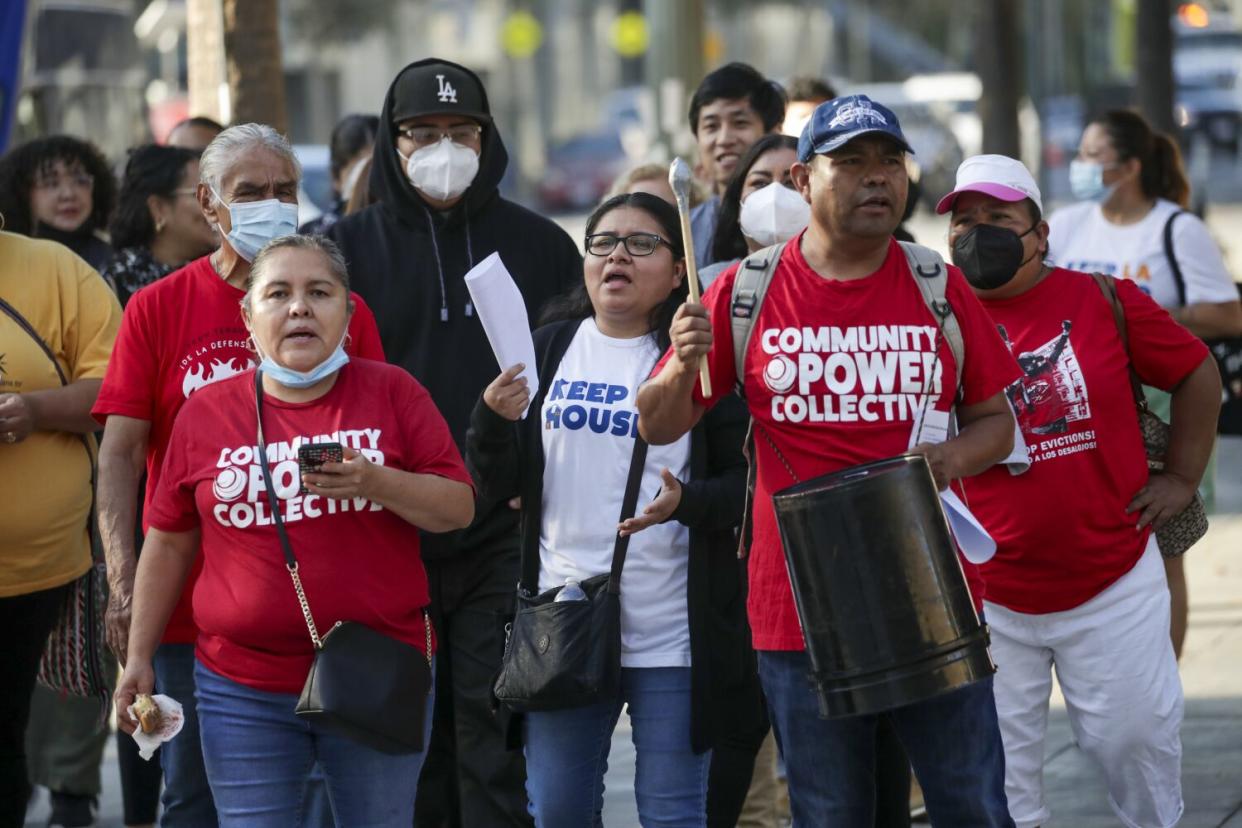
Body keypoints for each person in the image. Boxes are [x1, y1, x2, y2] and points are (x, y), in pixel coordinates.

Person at [637, 95, 1021, 827]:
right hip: (797, 606)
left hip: (931, 595)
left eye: (889, 162)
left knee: (971, 803)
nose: (877, 178)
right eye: (852, 163)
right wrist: (681, 367)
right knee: (828, 812)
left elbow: (996, 422)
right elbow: (658, 424)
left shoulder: (938, 286)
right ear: (805, 181)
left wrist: (944, 462)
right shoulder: (742, 292)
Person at [114, 234, 475, 822]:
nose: (299, 308)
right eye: (278, 293)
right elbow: (170, 540)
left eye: (319, 293)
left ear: (350, 313)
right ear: (248, 317)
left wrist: (377, 482)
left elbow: (457, 508)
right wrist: (139, 658)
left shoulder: (394, 392)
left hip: (377, 676)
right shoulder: (205, 413)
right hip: (242, 686)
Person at [94, 123, 385, 826]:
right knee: (193, 798)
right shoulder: (158, 308)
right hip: (190, 613)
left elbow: (378, 440)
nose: (273, 204)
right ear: (209, 202)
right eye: (250, 191)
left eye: (285, 190)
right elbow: (121, 454)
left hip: (323, 617)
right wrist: (125, 579)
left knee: (324, 802)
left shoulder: (344, 310)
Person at [328, 57, 582, 828]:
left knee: (491, 727)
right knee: (406, 729)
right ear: (391, 143)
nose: (444, 147)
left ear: (487, 138)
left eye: (461, 130)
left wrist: (531, 482)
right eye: (423, 133)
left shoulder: (539, 244)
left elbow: (571, 380)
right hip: (387, 526)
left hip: (501, 528)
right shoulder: (343, 250)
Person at [942, 154, 1221, 828]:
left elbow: (1195, 372)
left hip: (1112, 580)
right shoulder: (933, 316)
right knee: (1000, 782)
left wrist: (1181, 477)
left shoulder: (1102, 299)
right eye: (966, 221)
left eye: (1000, 219)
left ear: (1040, 234)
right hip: (985, 595)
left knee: (1135, 744)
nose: (980, 233)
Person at [466, 192, 756, 827]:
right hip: (563, 623)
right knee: (560, 811)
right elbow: (497, 482)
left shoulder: (698, 363)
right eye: (603, 243)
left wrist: (687, 502)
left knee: (674, 813)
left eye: (643, 243)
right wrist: (491, 418)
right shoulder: (549, 346)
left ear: (678, 272)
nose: (618, 255)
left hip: (673, 633)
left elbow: (745, 485)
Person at [1047, 109, 1242, 658]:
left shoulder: (1176, 228)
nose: (1080, 166)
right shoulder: (1065, 226)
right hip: (1083, 412)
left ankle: (1163, 677)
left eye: (1091, 155)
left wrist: (1139, 319)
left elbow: (1229, 315)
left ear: (1129, 167)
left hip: (1158, 407)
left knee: (1162, 549)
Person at [0, 229, 121, 828]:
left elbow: (118, 389)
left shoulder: (55, 270)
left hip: (36, 573)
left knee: (6, 730)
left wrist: (35, 410)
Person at [687, 63, 786, 267]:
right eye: (711, 126)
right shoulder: (684, 232)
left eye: (740, 123)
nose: (724, 139)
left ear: (773, 134)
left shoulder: (804, 219)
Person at [103, 144, 218, 307]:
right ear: (158, 208)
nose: (216, 204)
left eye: (216, 193)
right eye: (201, 194)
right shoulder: (113, 285)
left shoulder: (225, 274)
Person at [0, 134, 116, 271]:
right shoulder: (9, 262)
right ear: (22, 192)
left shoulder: (117, 263)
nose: (68, 194)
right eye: (51, 183)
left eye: (80, 180)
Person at [300, 114, 379, 235]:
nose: (369, 182)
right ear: (336, 177)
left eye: (378, 169)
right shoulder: (316, 237)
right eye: (360, 171)